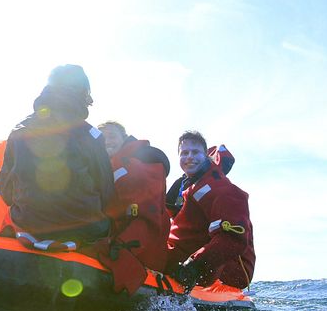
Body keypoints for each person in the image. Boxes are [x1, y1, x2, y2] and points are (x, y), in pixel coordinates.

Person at [0, 65, 115, 247]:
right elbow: (107, 190)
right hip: (85, 229)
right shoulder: (91, 134)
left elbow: (5, 191)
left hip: (29, 225)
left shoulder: (19, 130)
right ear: (83, 93)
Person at [165, 130, 255, 292]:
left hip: (229, 270)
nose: (189, 157)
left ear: (206, 156)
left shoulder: (224, 190)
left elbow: (232, 239)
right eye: (184, 153)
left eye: (195, 152)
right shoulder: (187, 189)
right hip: (189, 255)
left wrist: (193, 267)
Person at [95, 121, 171, 295]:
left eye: (112, 136)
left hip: (137, 248)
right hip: (114, 240)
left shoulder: (142, 163)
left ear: (124, 138)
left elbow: (148, 213)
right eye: (102, 138)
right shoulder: (105, 168)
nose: (107, 141)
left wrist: (124, 247)